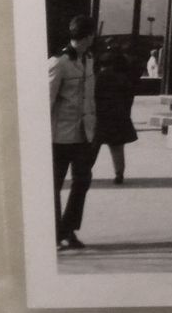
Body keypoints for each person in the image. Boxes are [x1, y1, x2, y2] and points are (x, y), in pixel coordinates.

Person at [48, 15, 97, 250]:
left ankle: (67, 228)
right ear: (88, 36)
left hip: (83, 134)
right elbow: (45, 101)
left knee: (83, 181)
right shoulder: (59, 62)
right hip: (59, 136)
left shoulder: (89, 59)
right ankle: (53, 232)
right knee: (53, 185)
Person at [93, 52, 138, 185]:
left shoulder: (98, 78)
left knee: (93, 146)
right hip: (118, 117)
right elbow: (129, 98)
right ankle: (119, 173)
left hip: (100, 117)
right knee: (117, 147)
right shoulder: (124, 78)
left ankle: (85, 171)